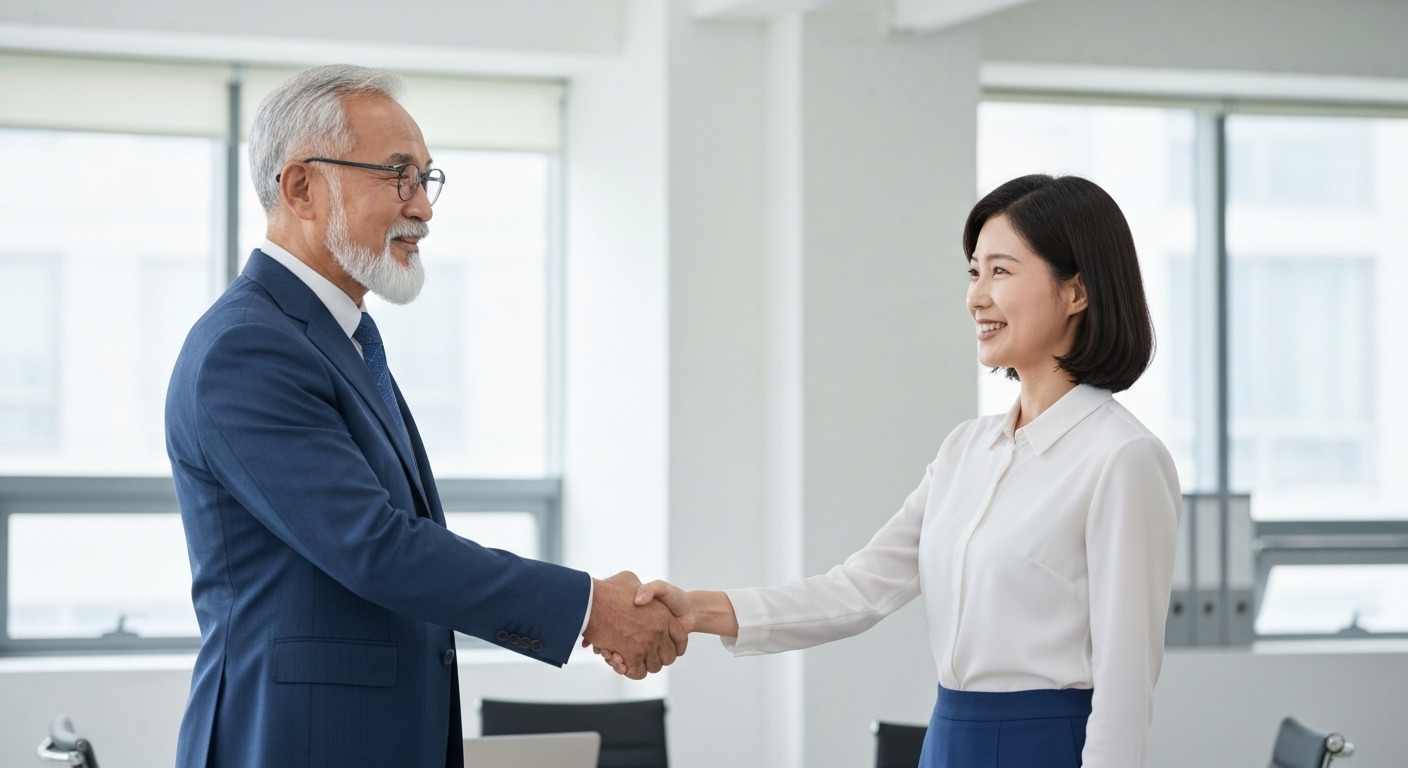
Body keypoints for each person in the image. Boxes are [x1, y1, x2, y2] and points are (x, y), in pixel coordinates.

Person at [165, 64, 683, 768]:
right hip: (294, 742)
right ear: (301, 187)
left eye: (426, 179)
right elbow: (376, 547)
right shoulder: (249, 348)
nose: (425, 209)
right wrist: (590, 607)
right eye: (398, 176)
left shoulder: (338, 338)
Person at [600, 175, 1181, 767]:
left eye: (1001, 272)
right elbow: (858, 590)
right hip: (949, 741)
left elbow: (1125, 689)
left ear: (1077, 291)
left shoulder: (1123, 459)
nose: (977, 296)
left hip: (1048, 748)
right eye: (974, 272)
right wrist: (696, 610)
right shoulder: (965, 451)